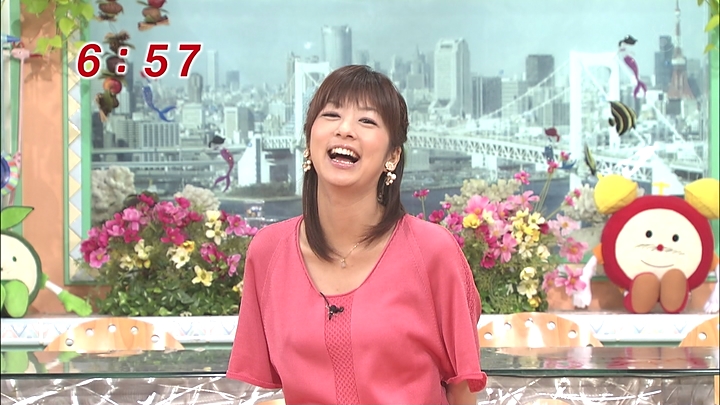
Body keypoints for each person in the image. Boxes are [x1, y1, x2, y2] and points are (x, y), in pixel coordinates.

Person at [227, 65, 486, 404]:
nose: (345, 129)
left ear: (393, 155)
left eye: (367, 120)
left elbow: (461, 388)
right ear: (309, 141)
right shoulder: (268, 251)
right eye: (331, 114)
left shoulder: (433, 251)